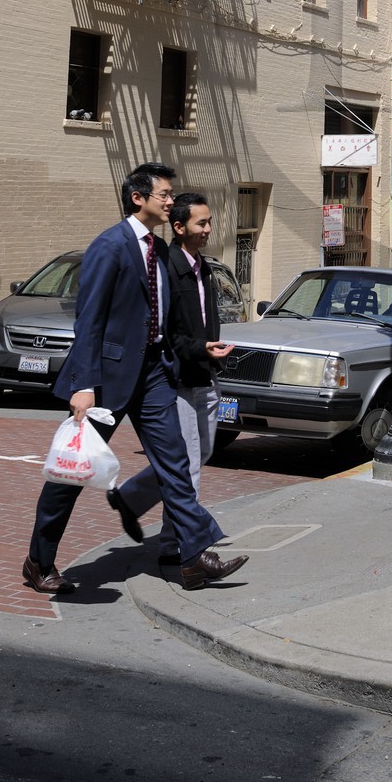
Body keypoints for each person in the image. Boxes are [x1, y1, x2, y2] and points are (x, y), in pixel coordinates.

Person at [23, 163, 248, 595]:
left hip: (154, 374)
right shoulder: (110, 247)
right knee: (71, 474)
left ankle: (192, 557)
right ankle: (39, 561)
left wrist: (197, 347)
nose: (170, 200)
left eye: (170, 194)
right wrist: (84, 384)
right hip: (107, 379)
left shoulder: (160, 251)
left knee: (175, 463)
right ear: (138, 198)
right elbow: (89, 320)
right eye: (163, 194)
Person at [107, 192, 231, 564]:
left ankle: (131, 497)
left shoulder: (204, 268)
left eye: (209, 221)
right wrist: (199, 349)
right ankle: (176, 546)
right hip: (176, 380)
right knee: (187, 465)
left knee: (201, 453)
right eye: (201, 223)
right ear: (179, 228)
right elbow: (166, 331)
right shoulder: (167, 268)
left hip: (205, 376)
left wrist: (211, 356)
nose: (208, 229)